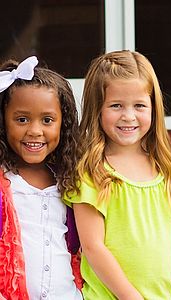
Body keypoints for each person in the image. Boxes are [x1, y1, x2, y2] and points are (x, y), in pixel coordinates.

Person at [65, 50, 171, 300]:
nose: (128, 116)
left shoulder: (167, 170)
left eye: (139, 106)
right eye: (116, 106)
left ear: (153, 108)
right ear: (97, 109)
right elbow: (93, 247)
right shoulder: (92, 171)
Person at [0, 56, 82, 299]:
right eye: (22, 119)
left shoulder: (70, 179)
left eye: (47, 120)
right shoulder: (5, 181)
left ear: (63, 124)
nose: (35, 131)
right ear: (3, 122)